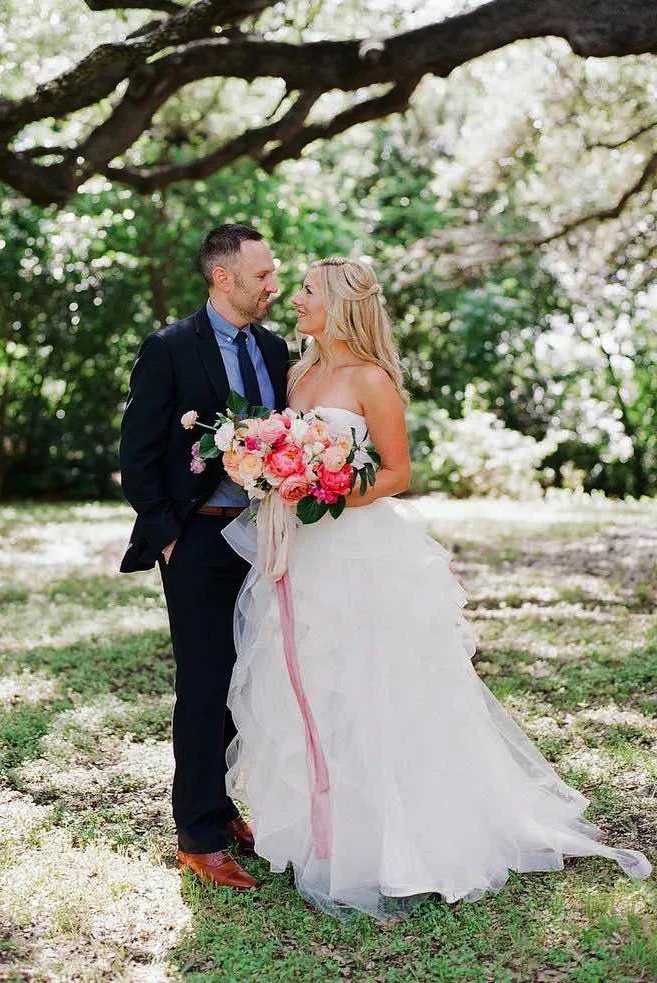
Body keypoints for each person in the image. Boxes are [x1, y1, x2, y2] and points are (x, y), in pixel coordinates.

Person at [222, 256, 652, 918]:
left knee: (375, 683)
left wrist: (332, 488)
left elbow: (396, 471)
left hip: (358, 546)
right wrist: (275, 473)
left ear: (338, 304)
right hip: (302, 551)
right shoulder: (298, 372)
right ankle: (325, 835)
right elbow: (284, 446)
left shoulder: (372, 380)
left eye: (307, 290)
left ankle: (402, 842)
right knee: (310, 679)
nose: (295, 299)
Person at [119, 224, 290, 890]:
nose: (271, 285)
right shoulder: (169, 348)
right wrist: (167, 535)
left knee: (245, 677)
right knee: (204, 679)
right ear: (223, 277)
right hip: (198, 539)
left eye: (274, 274)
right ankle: (196, 835)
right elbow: (136, 453)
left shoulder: (276, 350)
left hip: (266, 541)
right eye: (261, 275)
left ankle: (220, 806)